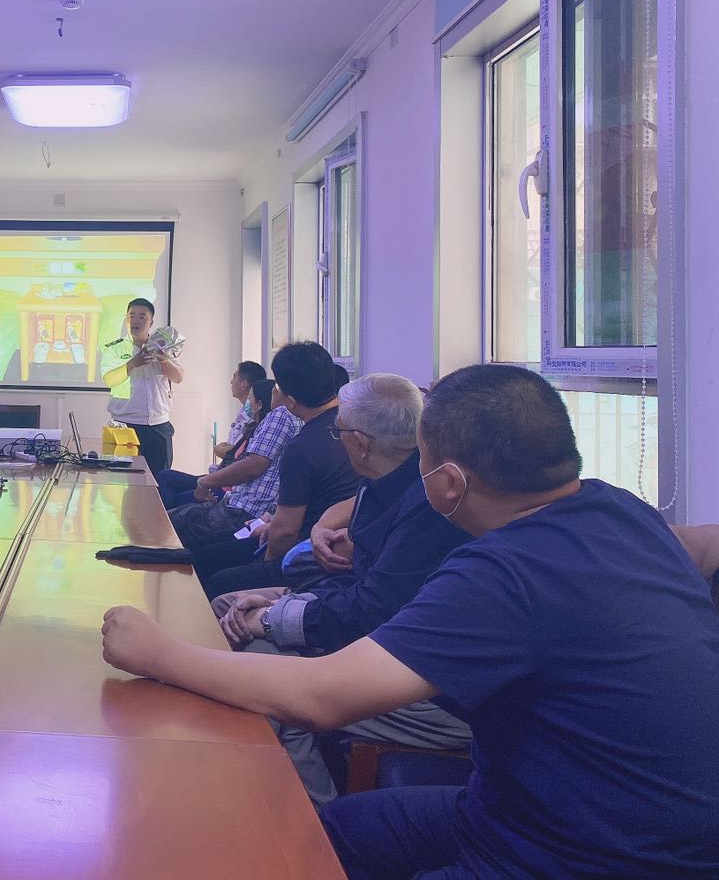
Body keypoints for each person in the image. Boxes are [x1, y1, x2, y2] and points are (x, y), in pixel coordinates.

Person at [100, 364, 719, 878]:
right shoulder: (623, 511)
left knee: (298, 844)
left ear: (447, 483)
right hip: (519, 810)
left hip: (581, 856)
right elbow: (701, 546)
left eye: (419, 463)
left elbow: (323, 696)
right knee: (325, 834)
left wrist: (159, 653)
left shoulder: (504, 572)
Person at [211, 373, 472, 802]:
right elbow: (361, 587)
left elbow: (370, 611)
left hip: (432, 691)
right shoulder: (386, 479)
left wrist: (273, 617)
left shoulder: (426, 505)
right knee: (230, 604)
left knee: (267, 671)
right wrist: (281, 601)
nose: (337, 440)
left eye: (340, 432)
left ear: (362, 443)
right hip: (378, 636)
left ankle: (308, 820)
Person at [186, 342, 359, 601]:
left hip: (309, 554)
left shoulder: (302, 447)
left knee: (213, 572)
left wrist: (264, 566)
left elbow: (285, 533)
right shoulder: (353, 426)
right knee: (213, 552)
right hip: (337, 543)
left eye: (277, 387)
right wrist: (271, 521)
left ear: (290, 401)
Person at [165, 378, 299, 548]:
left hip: (242, 511)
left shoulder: (282, 414)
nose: (274, 391)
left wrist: (205, 482)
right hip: (249, 509)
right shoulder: (304, 421)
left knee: (164, 523)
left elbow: (253, 465)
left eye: (278, 387)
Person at [155, 360, 266, 509]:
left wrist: (223, 450)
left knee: (173, 494)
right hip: (220, 475)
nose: (230, 382)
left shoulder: (255, 422)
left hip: (227, 485)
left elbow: (238, 455)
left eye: (234, 376)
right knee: (165, 476)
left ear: (244, 384)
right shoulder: (244, 411)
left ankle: (167, 519)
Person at [101, 298, 184, 473]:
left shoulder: (163, 346)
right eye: (132, 316)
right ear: (126, 319)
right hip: (125, 427)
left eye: (142, 317)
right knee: (124, 480)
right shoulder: (114, 349)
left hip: (159, 426)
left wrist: (163, 359)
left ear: (151, 322)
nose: (136, 321)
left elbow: (178, 377)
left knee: (160, 478)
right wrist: (133, 363)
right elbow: (109, 380)